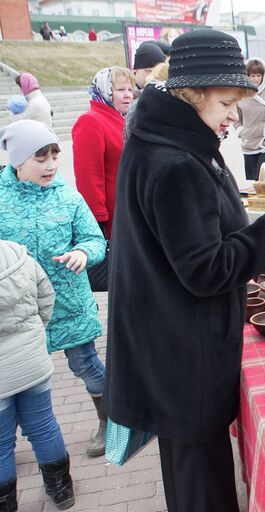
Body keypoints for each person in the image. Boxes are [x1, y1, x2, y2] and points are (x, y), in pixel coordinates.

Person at [103, 29, 265, 512]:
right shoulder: (175, 161)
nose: (233, 114)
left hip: (166, 341)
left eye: (238, 102)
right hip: (183, 351)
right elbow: (205, 269)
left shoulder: (165, 136)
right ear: (192, 93)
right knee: (202, 482)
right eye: (226, 102)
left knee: (187, 471)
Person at [0, 120, 108, 461]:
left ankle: (111, 420)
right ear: (17, 161)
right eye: (40, 158)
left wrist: (82, 253)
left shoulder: (67, 195)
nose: (50, 165)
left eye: (54, 156)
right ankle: (10, 440)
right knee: (17, 377)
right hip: (17, 312)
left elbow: (94, 240)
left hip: (68, 304)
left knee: (86, 365)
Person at [0, 239, 75, 511]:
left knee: (0, 444)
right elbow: (46, 295)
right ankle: (62, 490)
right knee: (44, 425)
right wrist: (34, 333)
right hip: (32, 361)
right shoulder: (14, 252)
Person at [72, 67, 135, 240]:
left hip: (128, 209)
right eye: (121, 90)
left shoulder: (122, 118)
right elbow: (88, 176)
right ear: (105, 90)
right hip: (112, 216)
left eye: (130, 89)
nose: (128, 95)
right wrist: (98, 218)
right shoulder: (91, 121)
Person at [235, 58, 265, 180]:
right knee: (255, 184)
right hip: (250, 142)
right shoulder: (240, 94)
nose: (256, 79)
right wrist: (241, 130)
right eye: (252, 76)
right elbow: (236, 117)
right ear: (246, 76)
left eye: (258, 75)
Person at [124, 43, 167, 141]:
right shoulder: (124, 99)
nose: (153, 75)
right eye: (148, 71)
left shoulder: (167, 98)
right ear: (135, 72)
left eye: (157, 71)